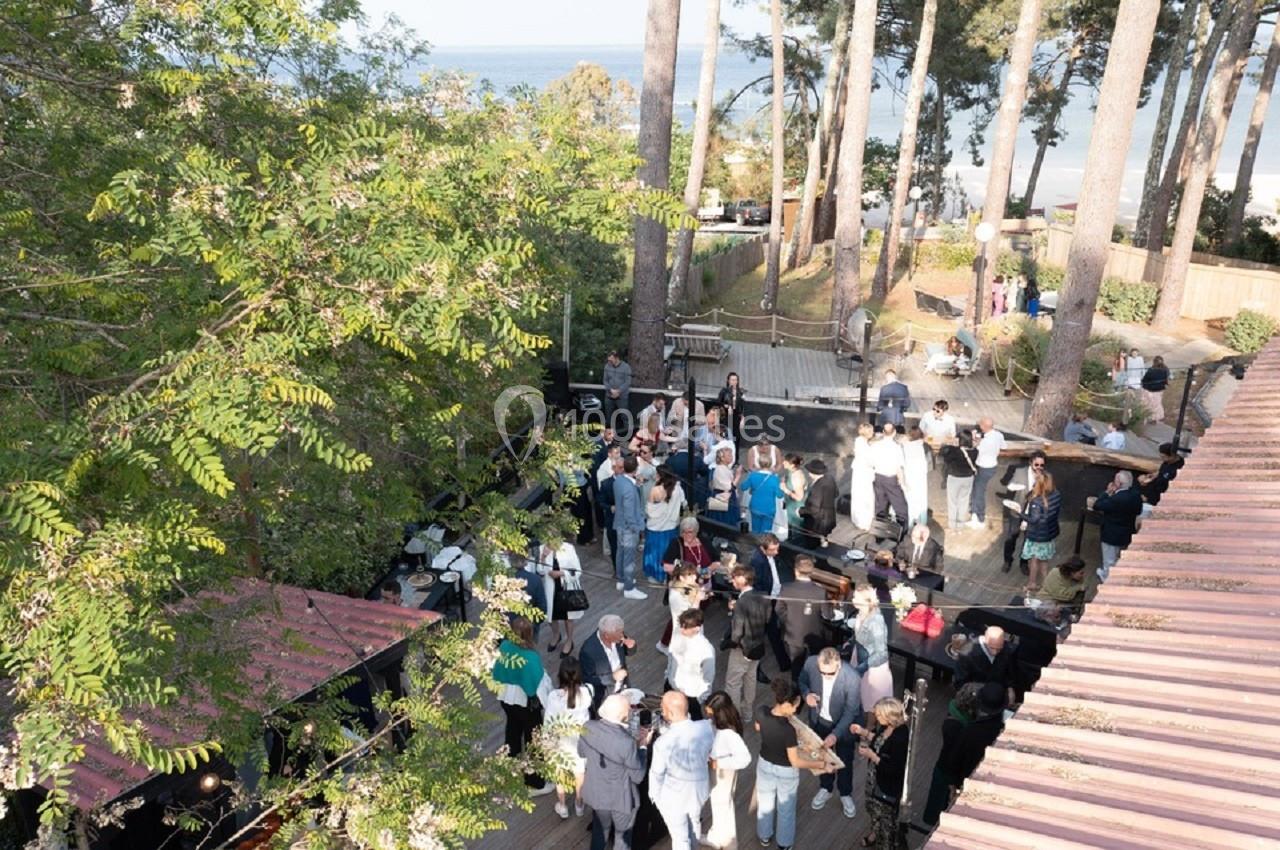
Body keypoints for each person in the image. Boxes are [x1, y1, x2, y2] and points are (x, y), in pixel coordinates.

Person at [754, 677, 832, 850]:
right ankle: (784, 843)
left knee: (765, 802)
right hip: (786, 772)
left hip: (764, 764)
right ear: (789, 703)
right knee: (786, 809)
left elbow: (758, 728)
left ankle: (764, 835)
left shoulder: (761, 711)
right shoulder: (788, 730)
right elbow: (795, 761)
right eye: (796, 706)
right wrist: (821, 765)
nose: (797, 709)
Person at [923, 682, 1002, 826]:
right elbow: (957, 756)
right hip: (948, 771)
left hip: (944, 766)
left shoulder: (955, 713)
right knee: (940, 806)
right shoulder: (960, 728)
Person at [579, 693, 651, 850]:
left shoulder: (587, 727)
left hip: (597, 794)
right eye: (627, 711)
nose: (629, 713)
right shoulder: (626, 743)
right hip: (622, 801)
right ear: (620, 716)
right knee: (622, 840)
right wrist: (643, 746)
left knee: (599, 833)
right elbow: (638, 776)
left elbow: (581, 752)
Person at [798, 648, 862, 819]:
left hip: (844, 726)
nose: (826, 676)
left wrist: (835, 734)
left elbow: (851, 712)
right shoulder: (811, 663)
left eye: (830, 673)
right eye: (822, 672)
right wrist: (806, 695)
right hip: (819, 721)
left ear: (839, 664)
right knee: (822, 757)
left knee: (845, 760)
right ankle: (825, 788)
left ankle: (845, 794)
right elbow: (801, 680)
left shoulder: (853, 678)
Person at [492, 617, 553, 795]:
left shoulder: (503, 647)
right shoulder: (530, 657)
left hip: (506, 697)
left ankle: (510, 766)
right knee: (533, 739)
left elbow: (496, 672)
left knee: (512, 729)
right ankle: (534, 781)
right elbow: (532, 684)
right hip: (525, 701)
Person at [648, 690, 715, 850]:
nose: (662, 711)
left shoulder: (663, 743)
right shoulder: (707, 728)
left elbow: (657, 774)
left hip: (673, 797)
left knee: (680, 839)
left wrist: (655, 797)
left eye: (663, 708)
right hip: (698, 790)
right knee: (695, 824)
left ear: (670, 713)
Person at [853, 697, 911, 850]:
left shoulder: (900, 737)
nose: (876, 717)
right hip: (875, 778)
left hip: (887, 786)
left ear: (889, 716)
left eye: (878, 715)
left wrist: (872, 756)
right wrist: (863, 732)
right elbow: (880, 740)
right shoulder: (886, 727)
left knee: (886, 822)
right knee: (873, 809)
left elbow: (894, 769)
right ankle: (874, 834)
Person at [544, 657, 594, 819]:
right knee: (580, 773)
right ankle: (579, 804)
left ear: (560, 676)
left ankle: (563, 806)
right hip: (580, 741)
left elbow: (548, 723)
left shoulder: (553, 697)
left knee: (559, 773)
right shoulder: (588, 692)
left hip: (560, 741)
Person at [702, 692, 751, 850]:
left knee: (722, 805)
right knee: (721, 805)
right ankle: (718, 836)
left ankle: (729, 843)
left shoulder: (729, 734)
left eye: (710, 711)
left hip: (723, 773)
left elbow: (745, 759)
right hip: (721, 769)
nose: (707, 714)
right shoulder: (720, 725)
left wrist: (719, 763)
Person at [723, 566, 770, 712]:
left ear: (740, 580)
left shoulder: (741, 603)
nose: (732, 581)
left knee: (733, 683)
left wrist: (727, 643)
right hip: (758, 645)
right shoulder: (764, 595)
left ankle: (734, 714)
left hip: (743, 649)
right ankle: (747, 711)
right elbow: (767, 618)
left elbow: (736, 633)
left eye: (734, 578)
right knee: (750, 678)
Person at [775, 555, 828, 677]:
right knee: (816, 664)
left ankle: (796, 690)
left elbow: (779, 609)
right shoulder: (820, 591)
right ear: (811, 572)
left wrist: (789, 621)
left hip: (794, 633)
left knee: (796, 665)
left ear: (795, 570)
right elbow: (826, 614)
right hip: (814, 633)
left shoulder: (786, 588)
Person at [851, 586, 893, 721]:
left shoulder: (876, 622)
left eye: (856, 598)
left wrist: (862, 667)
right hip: (859, 657)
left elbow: (882, 653)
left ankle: (869, 730)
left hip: (873, 667)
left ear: (867, 601)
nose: (853, 600)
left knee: (873, 702)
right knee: (860, 696)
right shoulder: (861, 613)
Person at [1093, 469, 1142, 583]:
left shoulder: (1116, 499)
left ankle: (1107, 578)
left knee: (1109, 559)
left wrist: (1107, 492)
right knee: (1120, 556)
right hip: (1126, 531)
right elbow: (1138, 511)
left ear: (1119, 483)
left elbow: (1097, 505)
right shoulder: (1136, 495)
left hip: (1111, 533)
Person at [580, 615, 637, 713]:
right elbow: (588, 679)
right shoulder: (588, 651)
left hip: (623, 689)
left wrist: (631, 647)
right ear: (606, 635)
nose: (622, 635)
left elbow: (628, 652)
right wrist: (612, 677)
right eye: (619, 633)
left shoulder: (617, 635)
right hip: (604, 697)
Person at [539, 539, 586, 657]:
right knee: (552, 616)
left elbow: (578, 570)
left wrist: (561, 573)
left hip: (566, 587)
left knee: (568, 617)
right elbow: (540, 571)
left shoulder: (568, 548)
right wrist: (543, 557)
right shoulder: (542, 548)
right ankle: (556, 635)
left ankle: (569, 641)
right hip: (551, 588)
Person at [665, 607, 716, 716]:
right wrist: (667, 677)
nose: (682, 630)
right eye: (681, 626)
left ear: (697, 628)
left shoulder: (706, 650)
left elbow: (708, 678)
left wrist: (699, 699)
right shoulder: (677, 637)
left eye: (685, 627)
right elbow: (671, 658)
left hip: (691, 697)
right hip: (671, 687)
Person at [1019, 472, 1062, 595]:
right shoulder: (1056, 494)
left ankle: (1032, 583)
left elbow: (1034, 519)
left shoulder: (1036, 501)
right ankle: (1046, 586)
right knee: (1044, 560)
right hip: (1049, 532)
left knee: (1034, 559)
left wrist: (1020, 513)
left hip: (1037, 534)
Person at [612, 456, 648, 600]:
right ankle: (629, 588)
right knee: (629, 559)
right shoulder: (628, 487)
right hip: (628, 527)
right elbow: (628, 511)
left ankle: (621, 580)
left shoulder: (619, 480)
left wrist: (636, 485)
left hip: (619, 523)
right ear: (635, 469)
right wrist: (636, 528)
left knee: (620, 552)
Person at [644, 468, 686, 583]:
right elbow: (684, 503)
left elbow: (649, 510)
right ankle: (669, 575)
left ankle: (656, 575)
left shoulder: (655, 490)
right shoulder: (678, 489)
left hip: (655, 527)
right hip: (671, 526)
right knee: (670, 552)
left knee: (655, 551)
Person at [954, 626, 1016, 705]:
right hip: (975, 697)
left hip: (997, 695)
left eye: (999, 649)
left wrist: (1010, 688)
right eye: (992, 648)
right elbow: (960, 682)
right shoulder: (966, 654)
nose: (995, 652)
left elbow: (1009, 672)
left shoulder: (1006, 650)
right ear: (985, 640)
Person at [658, 563, 705, 656]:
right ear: (682, 578)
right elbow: (689, 615)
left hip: (692, 627)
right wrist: (698, 599)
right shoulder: (676, 595)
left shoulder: (688, 586)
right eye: (690, 575)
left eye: (694, 574)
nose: (694, 577)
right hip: (685, 630)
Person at [968, 418, 1005, 529]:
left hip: (983, 468)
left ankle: (980, 518)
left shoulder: (985, 441)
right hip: (992, 466)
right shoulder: (999, 435)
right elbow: (1004, 446)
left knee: (979, 491)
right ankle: (975, 514)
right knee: (978, 490)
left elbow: (974, 448)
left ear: (984, 427)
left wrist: (973, 438)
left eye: (980, 424)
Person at [870, 423, 909, 524]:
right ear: (894, 432)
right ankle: (901, 533)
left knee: (880, 507)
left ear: (883, 432)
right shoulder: (897, 447)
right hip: (890, 479)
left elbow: (871, 463)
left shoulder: (875, 445)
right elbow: (898, 468)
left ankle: (879, 534)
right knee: (900, 507)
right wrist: (903, 482)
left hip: (878, 477)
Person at [940, 431, 977, 529]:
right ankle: (960, 525)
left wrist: (950, 444)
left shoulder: (954, 451)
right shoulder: (975, 451)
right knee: (964, 501)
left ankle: (952, 525)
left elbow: (944, 456)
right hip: (968, 478)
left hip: (954, 478)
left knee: (952, 502)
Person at [798, 458, 838, 549]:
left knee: (811, 544)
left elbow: (813, 509)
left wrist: (800, 511)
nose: (808, 473)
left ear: (813, 473)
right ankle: (824, 545)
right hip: (828, 517)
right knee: (823, 538)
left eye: (810, 472)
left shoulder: (817, 488)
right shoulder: (830, 479)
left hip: (816, 522)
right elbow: (836, 493)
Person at [739, 454, 783, 534]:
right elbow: (780, 495)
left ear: (759, 464)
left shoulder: (753, 476)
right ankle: (764, 544)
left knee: (755, 529)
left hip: (755, 506)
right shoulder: (774, 478)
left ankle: (756, 544)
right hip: (769, 508)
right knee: (766, 532)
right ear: (771, 464)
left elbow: (743, 487)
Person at [1139, 442, 1184, 508]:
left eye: (1163, 457)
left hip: (1161, 497)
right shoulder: (1167, 462)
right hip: (1153, 490)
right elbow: (1161, 471)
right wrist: (1153, 476)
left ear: (1172, 456)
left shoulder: (1179, 468)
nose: (1162, 459)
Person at [850, 422, 877, 531]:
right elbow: (869, 460)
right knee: (866, 495)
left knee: (858, 494)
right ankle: (864, 521)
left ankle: (858, 518)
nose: (873, 433)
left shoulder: (859, 440)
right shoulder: (864, 444)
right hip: (865, 472)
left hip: (859, 470)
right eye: (871, 431)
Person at [704, 446, 739, 527]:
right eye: (729, 455)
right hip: (722, 500)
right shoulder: (720, 469)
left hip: (727, 498)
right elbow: (729, 487)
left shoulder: (725, 468)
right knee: (723, 523)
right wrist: (738, 476)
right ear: (722, 458)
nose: (732, 457)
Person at [902, 426, 929, 528]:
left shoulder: (905, 446)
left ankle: (909, 522)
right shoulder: (924, 446)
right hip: (920, 476)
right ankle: (921, 522)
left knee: (909, 498)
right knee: (921, 499)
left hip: (909, 474)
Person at [599, 455, 623, 560]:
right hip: (612, 520)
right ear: (613, 468)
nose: (623, 470)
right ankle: (617, 570)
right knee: (614, 546)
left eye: (624, 467)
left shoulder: (632, 481)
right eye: (620, 467)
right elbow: (600, 501)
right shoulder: (606, 484)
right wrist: (610, 507)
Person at [603, 351, 632, 431]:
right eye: (608, 360)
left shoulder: (626, 367)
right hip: (609, 396)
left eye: (611, 360)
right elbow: (605, 381)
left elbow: (628, 382)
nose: (609, 362)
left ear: (616, 358)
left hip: (622, 397)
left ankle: (627, 435)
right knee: (608, 417)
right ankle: (610, 436)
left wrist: (618, 391)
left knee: (624, 416)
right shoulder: (607, 366)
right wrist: (611, 390)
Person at [780, 453, 809, 534]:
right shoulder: (791, 471)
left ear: (792, 465)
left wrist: (785, 490)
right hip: (790, 505)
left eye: (785, 462)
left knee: (796, 529)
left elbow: (799, 497)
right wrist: (784, 481)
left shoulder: (797, 477)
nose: (783, 463)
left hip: (796, 508)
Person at [716, 373, 745, 448]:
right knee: (725, 435)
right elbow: (718, 403)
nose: (734, 382)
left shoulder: (740, 392)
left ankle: (735, 457)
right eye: (732, 380)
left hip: (736, 417)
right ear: (728, 381)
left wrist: (742, 419)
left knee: (736, 438)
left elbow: (742, 407)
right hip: (726, 416)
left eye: (736, 380)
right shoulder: (724, 391)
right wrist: (727, 406)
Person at [1141, 355, 1170, 423]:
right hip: (1159, 390)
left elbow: (1144, 380)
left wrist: (1144, 384)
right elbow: (1166, 380)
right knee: (1157, 404)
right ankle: (1156, 418)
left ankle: (1148, 417)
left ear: (1154, 362)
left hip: (1150, 389)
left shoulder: (1151, 370)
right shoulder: (1165, 370)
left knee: (1148, 403)